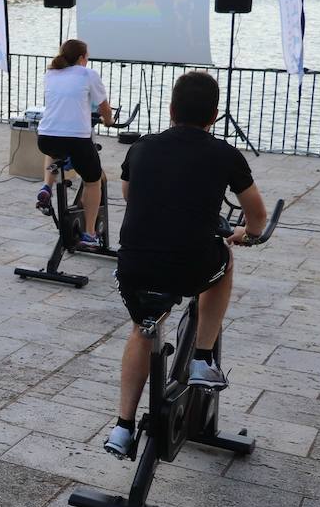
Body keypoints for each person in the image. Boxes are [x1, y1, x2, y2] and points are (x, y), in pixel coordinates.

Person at [104, 72, 268, 458]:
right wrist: (245, 234)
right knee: (223, 262)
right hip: (192, 264)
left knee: (143, 329)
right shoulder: (226, 154)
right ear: (213, 116)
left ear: (171, 110)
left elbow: (130, 193)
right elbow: (256, 216)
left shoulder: (142, 147)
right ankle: (202, 358)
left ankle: (123, 427)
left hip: (134, 265)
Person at [34, 38, 112, 247]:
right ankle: (89, 233)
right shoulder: (88, 74)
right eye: (87, 57)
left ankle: (46, 186)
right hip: (77, 139)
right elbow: (104, 107)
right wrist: (109, 121)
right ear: (81, 58)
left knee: (56, 149)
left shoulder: (50, 74)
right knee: (93, 180)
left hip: (46, 137)